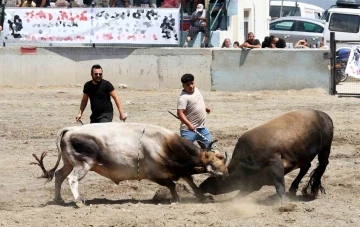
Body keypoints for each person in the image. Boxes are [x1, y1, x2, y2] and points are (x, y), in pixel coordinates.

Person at [177, 73, 212, 147]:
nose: (191, 86)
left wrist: (204, 108)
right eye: (187, 85)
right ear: (183, 86)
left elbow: (196, 103)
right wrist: (189, 125)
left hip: (202, 128)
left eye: (192, 83)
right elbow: (180, 113)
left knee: (210, 149)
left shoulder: (196, 90)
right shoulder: (183, 98)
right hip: (189, 131)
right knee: (185, 152)